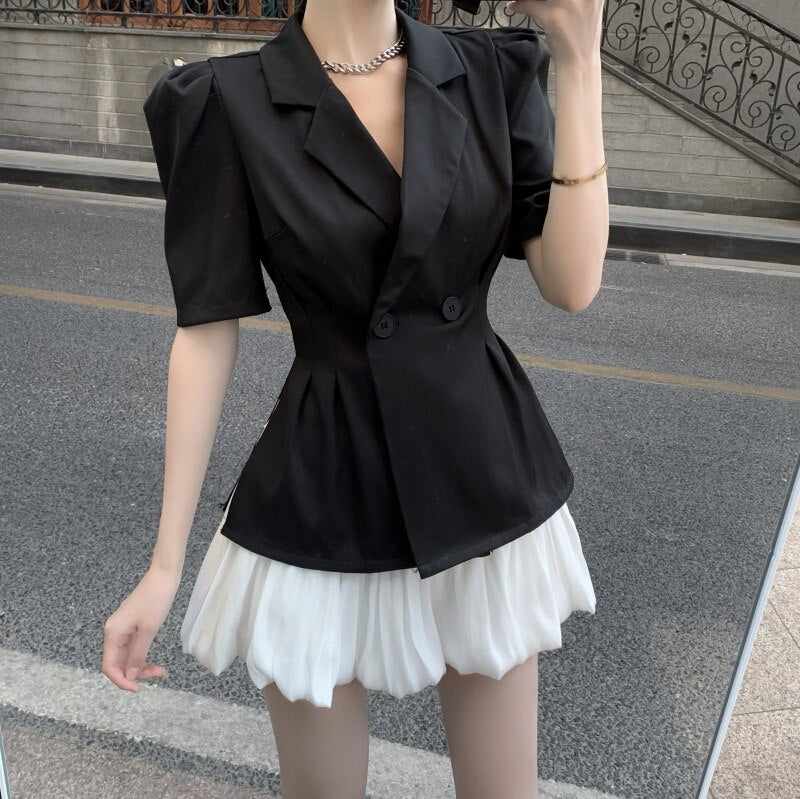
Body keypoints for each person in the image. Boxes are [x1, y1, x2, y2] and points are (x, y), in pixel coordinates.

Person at [102, 0, 608, 796]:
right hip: (324, 481)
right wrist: (165, 564)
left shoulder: (491, 72)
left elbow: (572, 284)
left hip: (480, 471)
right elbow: (206, 328)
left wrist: (580, 63)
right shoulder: (228, 101)